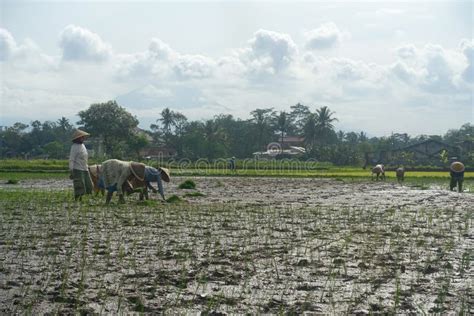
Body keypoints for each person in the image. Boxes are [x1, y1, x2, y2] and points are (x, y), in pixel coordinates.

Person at [69, 129, 93, 201]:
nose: (83, 138)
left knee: (89, 185)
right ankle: (78, 199)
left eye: (83, 137)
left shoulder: (83, 145)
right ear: (78, 138)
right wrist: (71, 170)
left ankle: (83, 198)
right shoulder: (74, 147)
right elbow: (71, 159)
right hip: (78, 169)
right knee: (79, 185)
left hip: (85, 168)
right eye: (82, 137)